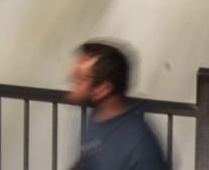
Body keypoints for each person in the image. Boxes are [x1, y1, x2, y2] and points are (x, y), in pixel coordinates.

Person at [66, 42, 169, 170]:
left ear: (102, 89)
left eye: (80, 80)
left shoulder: (138, 145)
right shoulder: (97, 117)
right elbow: (90, 160)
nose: (69, 80)